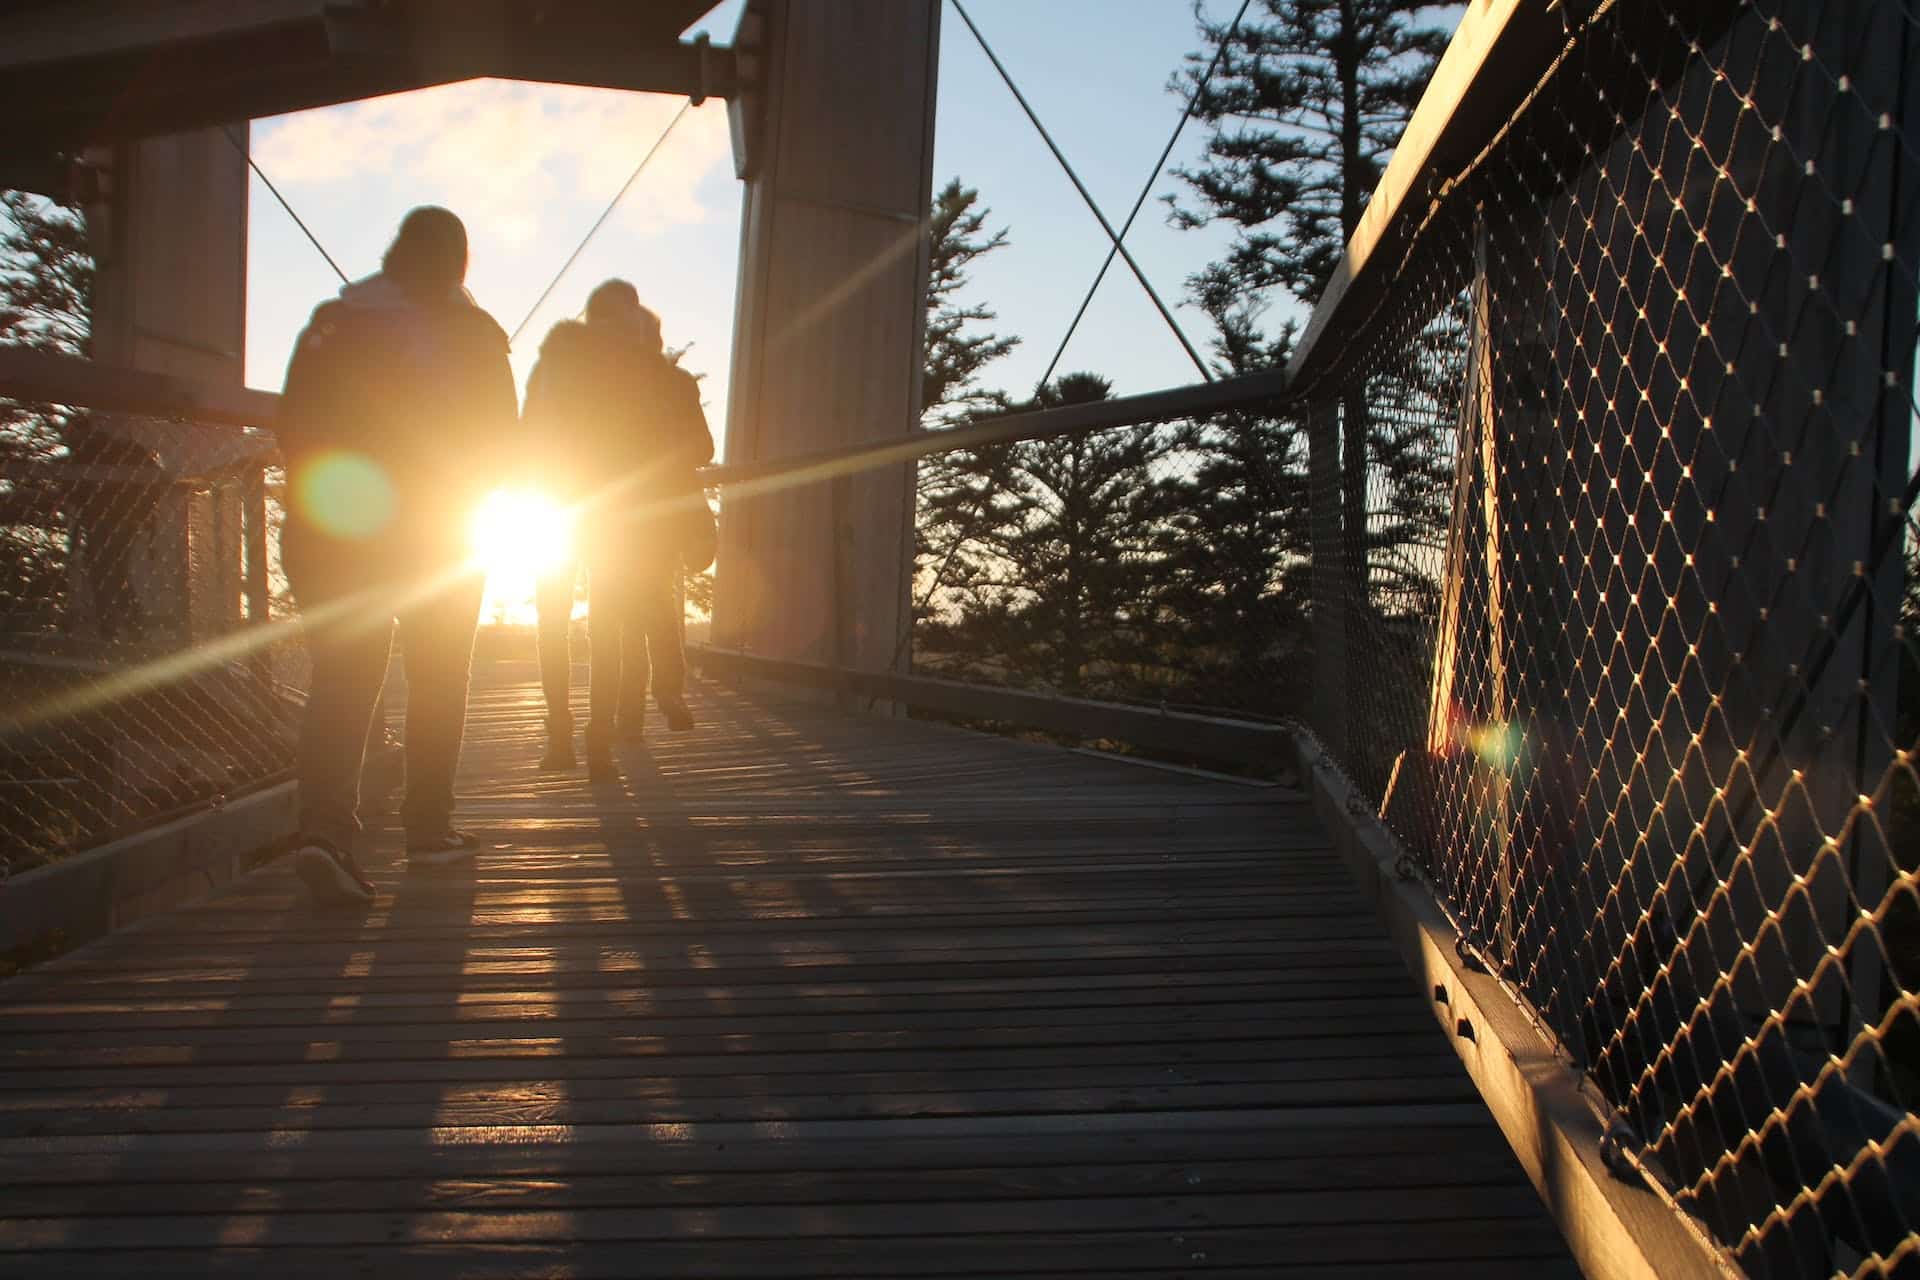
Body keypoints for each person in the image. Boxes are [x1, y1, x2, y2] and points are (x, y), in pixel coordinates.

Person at [276, 206, 519, 905]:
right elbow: (501, 442)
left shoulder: (335, 319)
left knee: (345, 678)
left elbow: (294, 428)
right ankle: (428, 829)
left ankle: (324, 834)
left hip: (332, 532)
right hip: (437, 531)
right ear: (458, 264)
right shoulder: (476, 333)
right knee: (439, 676)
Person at [524, 279, 712, 779]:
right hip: (615, 517)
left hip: (553, 508)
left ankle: (565, 735)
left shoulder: (559, 361)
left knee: (557, 625)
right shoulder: (645, 371)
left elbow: (531, 434)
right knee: (611, 624)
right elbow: (692, 447)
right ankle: (602, 738)